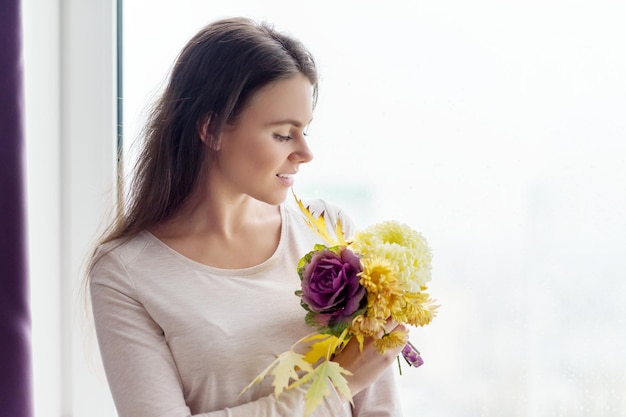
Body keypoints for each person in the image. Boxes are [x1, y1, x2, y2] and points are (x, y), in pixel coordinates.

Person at [88, 17, 406, 417]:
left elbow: (382, 408)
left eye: (305, 130)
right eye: (282, 134)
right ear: (212, 129)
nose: (305, 152)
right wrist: (335, 385)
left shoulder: (328, 228)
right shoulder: (126, 273)